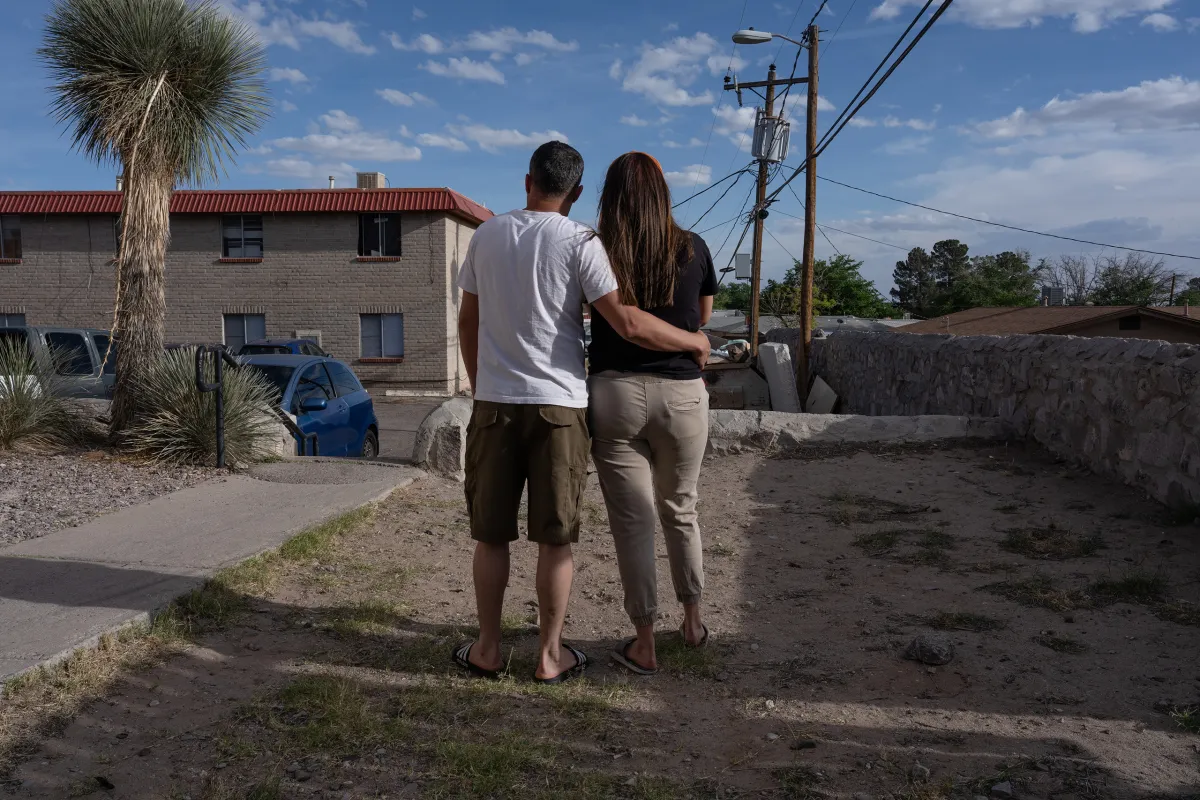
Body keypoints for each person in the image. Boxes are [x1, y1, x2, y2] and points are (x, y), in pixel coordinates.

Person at [454, 141, 711, 684]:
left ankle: (488, 650)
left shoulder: (486, 234)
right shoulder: (581, 242)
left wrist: (482, 388)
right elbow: (627, 322)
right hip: (561, 406)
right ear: (574, 193)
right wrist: (694, 341)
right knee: (556, 537)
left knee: (491, 536)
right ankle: (550, 655)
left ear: (527, 181)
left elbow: (467, 323)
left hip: (497, 403)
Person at [587, 152, 717, 676]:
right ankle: (693, 622)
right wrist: (688, 339)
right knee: (680, 510)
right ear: (663, 192)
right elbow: (702, 318)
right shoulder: (695, 246)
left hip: (614, 395)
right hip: (683, 396)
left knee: (633, 524)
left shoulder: (596, 250)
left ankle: (644, 641)